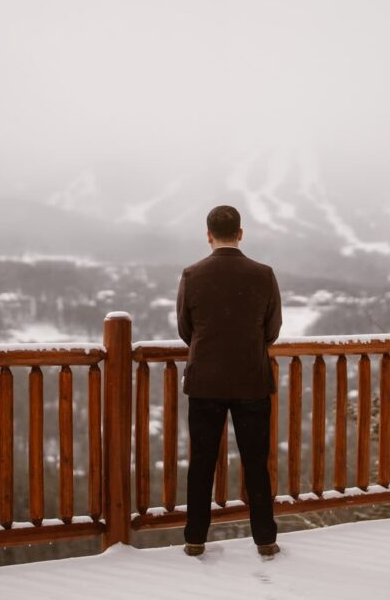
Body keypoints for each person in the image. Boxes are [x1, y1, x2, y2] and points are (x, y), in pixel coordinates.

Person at [176, 204, 282, 558]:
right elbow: (272, 329)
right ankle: (265, 538)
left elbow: (185, 330)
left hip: (205, 381)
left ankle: (195, 538)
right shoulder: (263, 274)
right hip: (251, 379)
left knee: (202, 461)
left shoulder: (193, 275)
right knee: (256, 461)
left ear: (208, 235)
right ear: (240, 233)